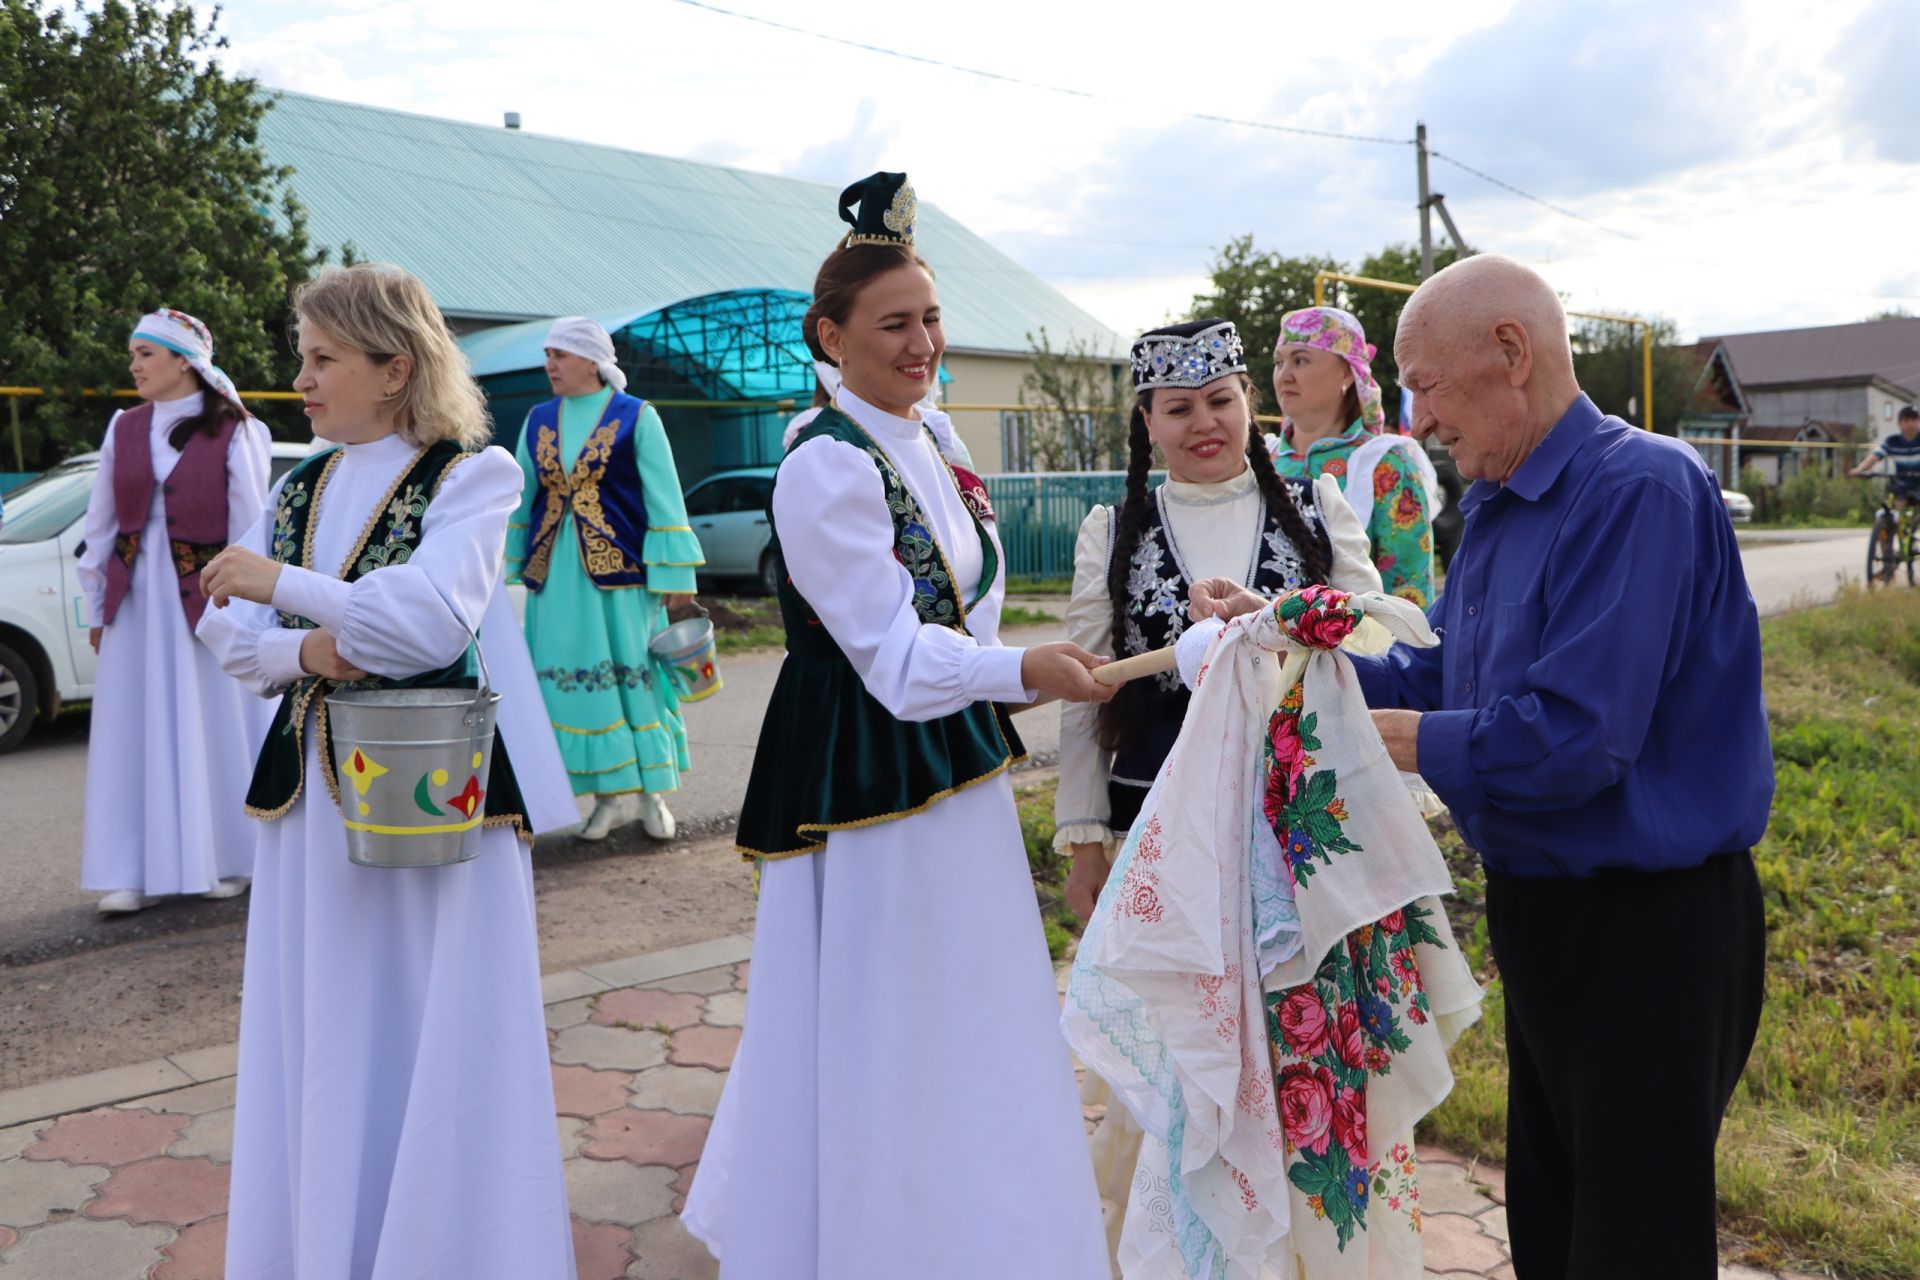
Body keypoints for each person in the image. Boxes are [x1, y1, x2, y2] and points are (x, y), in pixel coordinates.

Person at [683, 172, 1113, 1280]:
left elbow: (957, 615)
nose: (922, 342)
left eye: (929, 318)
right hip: (866, 768)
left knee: (968, 999)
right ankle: (880, 1232)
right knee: (887, 1014)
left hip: (946, 755)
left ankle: (974, 1216)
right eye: (894, 324)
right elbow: (889, 651)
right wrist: (1022, 668)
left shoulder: (929, 441)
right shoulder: (826, 461)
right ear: (831, 336)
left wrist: (1018, 671)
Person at [1354, 254, 1771, 1280]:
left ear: (1511, 351)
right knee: (1553, 1216)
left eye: (1427, 382)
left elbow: (1575, 739)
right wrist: (1294, 660)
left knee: (1633, 1239)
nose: (1419, 416)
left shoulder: (1639, 488)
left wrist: (1394, 739)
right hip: (1547, 916)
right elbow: (1446, 670)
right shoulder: (1500, 497)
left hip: (1651, 930)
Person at [198, 263, 577, 1278]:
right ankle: (329, 1245)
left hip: (429, 799)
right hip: (312, 809)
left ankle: (450, 1249)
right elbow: (229, 634)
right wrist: (306, 650)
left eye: (321, 358)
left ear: (393, 364)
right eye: (301, 356)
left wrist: (287, 586)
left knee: (435, 1017)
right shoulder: (301, 482)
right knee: (323, 1021)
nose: (302, 378)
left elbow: (425, 621)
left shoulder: (472, 474)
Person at [1056, 318, 1382, 923]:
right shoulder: (1109, 532)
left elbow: (1379, 648)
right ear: (1148, 424)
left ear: (1248, 403)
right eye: (1179, 409)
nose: (1204, 423)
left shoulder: (1320, 509)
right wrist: (1085, 843)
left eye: (1220, 401)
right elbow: (1087, 694)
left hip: (1309, 818)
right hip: (1161, 823)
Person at [74, 309, 271, 914]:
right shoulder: (123, 429)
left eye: (145, 354)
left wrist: (249, 609)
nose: (133, 366)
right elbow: (101, 525)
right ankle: (131, 868)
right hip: (136, 601)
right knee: (132, 726)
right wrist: (96, 608)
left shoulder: (237, 430)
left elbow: (251, 528)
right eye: (132, 354)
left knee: (213, 724)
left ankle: (229, 857)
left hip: (208, 598)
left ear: (185, 360)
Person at [504, 317, 704, 841]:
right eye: (548, 354)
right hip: (554, 581)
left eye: (560, 355)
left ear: (591, 361)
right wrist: (507, 570)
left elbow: (665, 499)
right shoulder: (538, 420)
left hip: (623, 581)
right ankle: (606, 800)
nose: (550, 365)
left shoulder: (637, 417)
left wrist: (675, 580)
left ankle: (650, 795)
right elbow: (523, 499)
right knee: (572, 688)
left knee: (632, 679)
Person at [1267, 306, 1437, 606]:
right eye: (1279, 362)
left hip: (1357, 650)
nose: (1285, 375)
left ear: (1347, 371)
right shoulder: (1261, 460)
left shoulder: (1384, 463)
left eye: (1301, 360)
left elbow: (1409, 592)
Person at [1847, 402, 1920, 558]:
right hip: (1901, 484)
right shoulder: (1893, 441)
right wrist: (1860, 469)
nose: (1910, 424)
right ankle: (1888, 556)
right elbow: (1875, 456)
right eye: (1906, 420)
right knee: (1886, 515)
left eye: (1914, 420)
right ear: (1900, 424)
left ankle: (1912, 537)